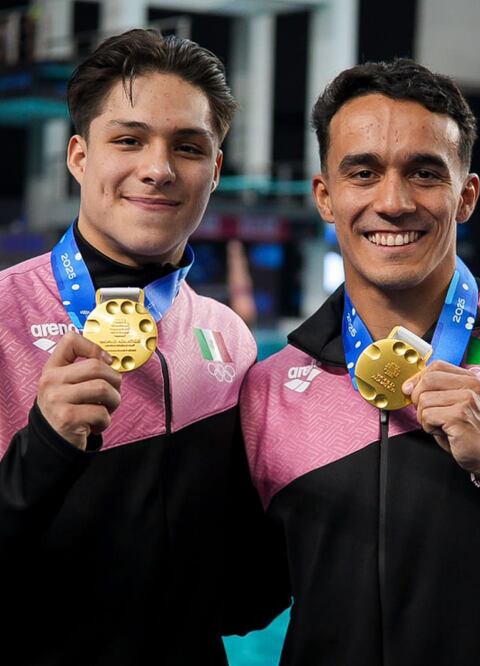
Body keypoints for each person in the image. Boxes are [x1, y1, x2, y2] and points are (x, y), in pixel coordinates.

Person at [0, 29, 287, 664]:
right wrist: (43, 448)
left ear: (214, 169)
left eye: (188, 147)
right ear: (79, 156)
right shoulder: (2, 317)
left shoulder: (229, 340)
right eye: (128, 140)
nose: (157, 168)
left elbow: (239, 592)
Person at [240, 59, 480, 665]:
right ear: (325, 196)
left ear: (467, 195)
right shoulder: (269, 391)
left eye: (425, 173)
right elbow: (241, 603)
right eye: (363, 173)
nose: (394, 201)